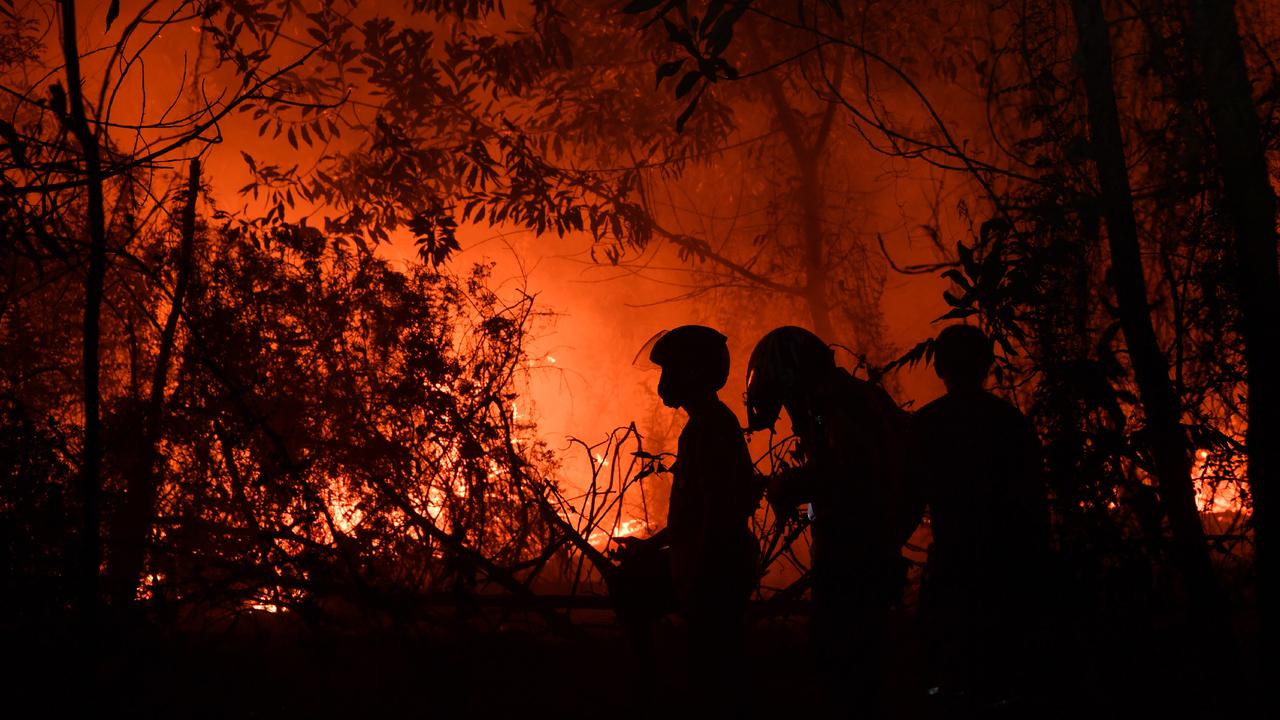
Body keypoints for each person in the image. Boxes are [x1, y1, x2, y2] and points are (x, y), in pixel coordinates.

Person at [745, 326, 917, 716]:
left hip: (856, 560)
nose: (788, 414)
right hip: (865, 554)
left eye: (785, 398)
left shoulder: (839, 408)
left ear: (793, 376)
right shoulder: (845, 401)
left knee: (843, 666)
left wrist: (789, 485)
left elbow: (848, 475)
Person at [907, 324, 1051, 714]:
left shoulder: (926, 425)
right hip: (1009, 570)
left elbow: (906, 498)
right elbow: (1034, 505)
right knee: (1001, 677)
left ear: (939, 369)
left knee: (943, 678)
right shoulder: (1011, 423)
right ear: (986, 366)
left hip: (954, 568)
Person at [615, 325, 761, 708]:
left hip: (715, 568)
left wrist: (694, 576)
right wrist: (651, 547)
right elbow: (697, 514)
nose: (665, 381)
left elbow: (714, 513)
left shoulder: (706, 429)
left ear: (692, 372)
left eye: (671, 370)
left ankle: (648, 695)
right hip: (715, 562)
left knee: (714, 674)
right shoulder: (711, 423)